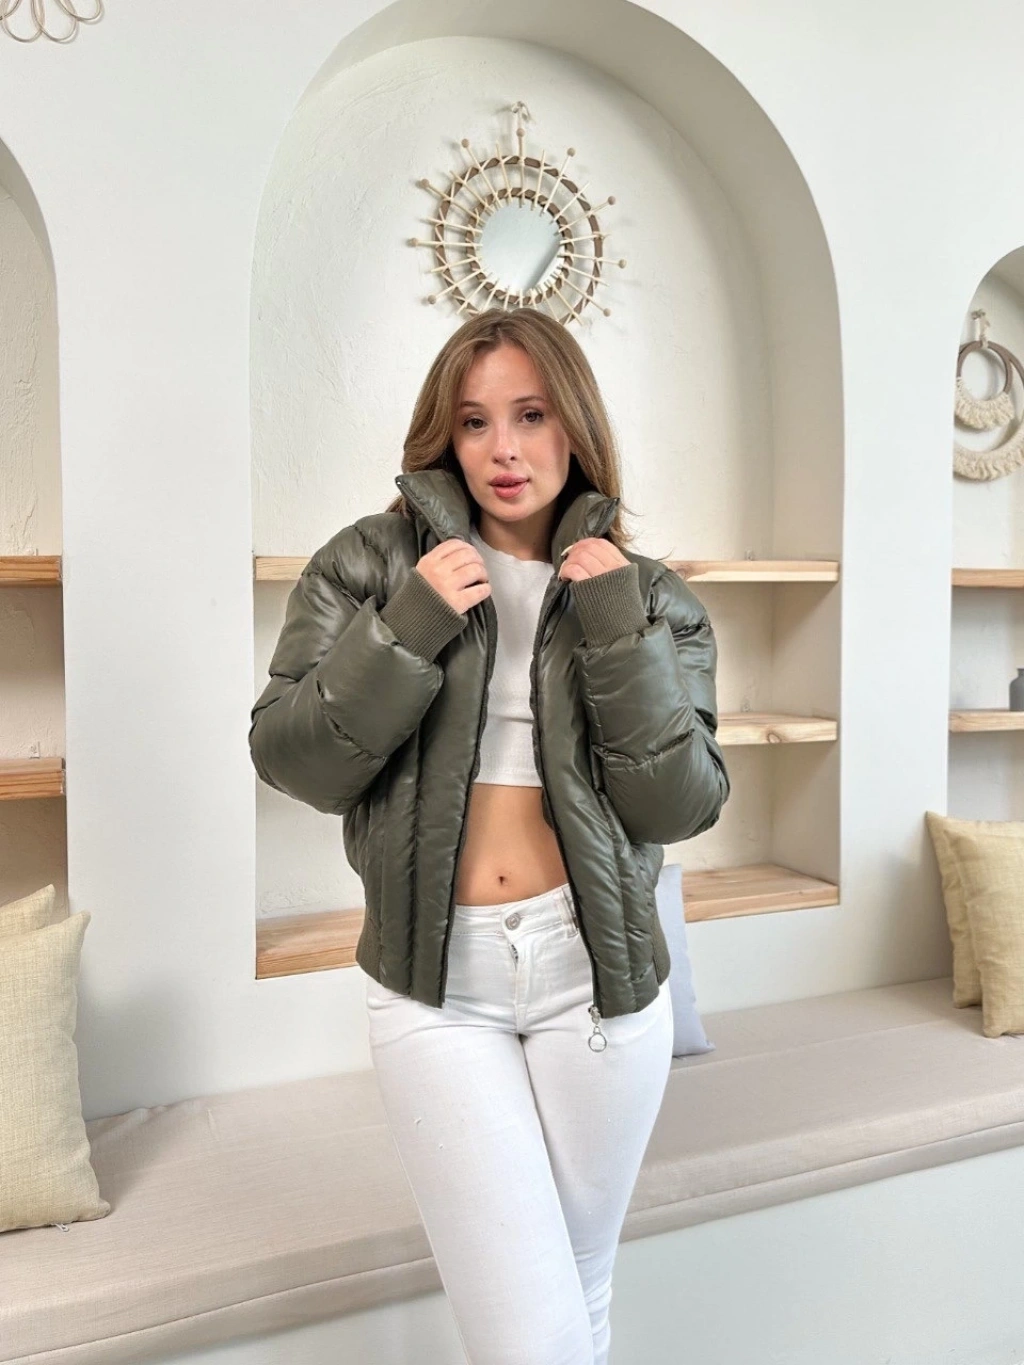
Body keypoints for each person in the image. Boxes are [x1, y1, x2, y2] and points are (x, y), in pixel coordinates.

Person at [249, 306, 730, 1364]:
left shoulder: (651, 597)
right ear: (446, 437)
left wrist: (618, 633)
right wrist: (408, 625)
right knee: (531, 1337)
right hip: (438, 988)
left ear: (575, 424)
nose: (504, 449)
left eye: (531, 414)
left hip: (599, 981)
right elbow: (294, 759)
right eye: (474, 422)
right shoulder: (368, 565)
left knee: (576, 1295)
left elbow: (678, 807)